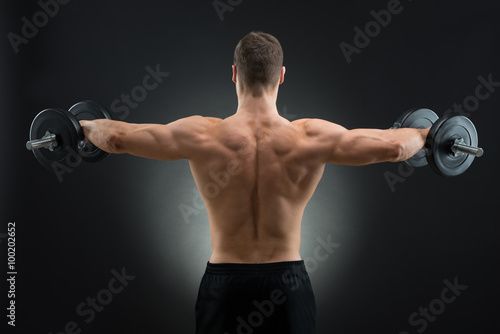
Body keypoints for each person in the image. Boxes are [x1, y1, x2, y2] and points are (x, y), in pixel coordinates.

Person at [80, 32, 429, 334]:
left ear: (234, 74)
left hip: (224, 284)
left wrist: (80, 127)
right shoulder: (311, 137)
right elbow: (396, 145)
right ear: (282, 76)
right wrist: (429, 134)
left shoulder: (203, 133)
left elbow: (118, 139)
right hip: (288, 285)